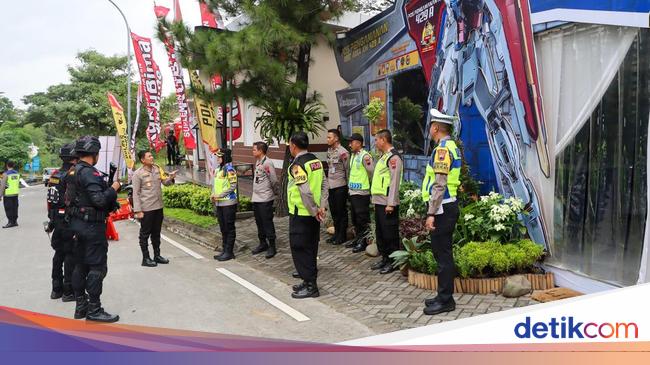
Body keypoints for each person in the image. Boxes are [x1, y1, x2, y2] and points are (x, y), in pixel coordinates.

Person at [66, 136, 120, 322]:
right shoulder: (89, 173)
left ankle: (81, 306)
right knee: (97, 267)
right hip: (91, 227)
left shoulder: (73, 171)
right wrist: (113, 188)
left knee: (80, 266)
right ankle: (94, 309)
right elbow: (99, 200)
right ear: (94, 154)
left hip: (77, 225)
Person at [422, 109, 462, 315]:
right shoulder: (451, 147)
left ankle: (446, 300)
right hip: (446, 206)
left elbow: (439, 185)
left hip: (442, 207)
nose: (430, 129)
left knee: (443, 256)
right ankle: (442, 295)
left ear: (436, 128)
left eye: (431, 126)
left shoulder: (442, 151)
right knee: (442, 255)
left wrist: (431, 213)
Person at [287, 132, 329, 299]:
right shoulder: (315, 161)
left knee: (300, 248)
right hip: (314, 213)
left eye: (290, 144)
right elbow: (325, 183)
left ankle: (311, 286)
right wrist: (322, 207)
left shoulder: (297, 166)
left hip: (302, 214)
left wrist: (314, 211)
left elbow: (304, 192)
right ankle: (307, 280)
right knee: (311, 248)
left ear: (294, 146)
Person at [45, 143, 78, 302]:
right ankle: (68, 290)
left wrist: (51, 219)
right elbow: (72, 200)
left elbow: (50, 201)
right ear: (74, 158)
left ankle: (55, 289)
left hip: (56, 219)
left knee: (58, 254)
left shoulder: (55, 175)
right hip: (68, 220)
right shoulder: (71, 175)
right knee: (70, 254)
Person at [132, 151, 176, 267]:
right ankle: (145, 258)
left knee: (156, 233)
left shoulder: (157, 169)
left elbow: (165, 183)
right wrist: (138, 210)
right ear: (143, 160)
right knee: (145, 234)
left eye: (152, 155)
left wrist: (170, 178)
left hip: (158, 206)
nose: (152, 158)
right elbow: (135, 194)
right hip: (146, 208)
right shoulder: (138, 174)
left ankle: (157, 255)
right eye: (149, 156)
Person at [370, 129, 402, 275]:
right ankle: (385, 258)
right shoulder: (384, 156)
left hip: (387, 203)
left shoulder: (394, 158)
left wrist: (391, 203)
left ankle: (393, 261)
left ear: (383, 140)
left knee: (390, 233)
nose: (375, 142)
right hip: (379, 201)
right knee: (381, 233)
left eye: (377, 140)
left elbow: (394, 182)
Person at [347, 133, 374, 253]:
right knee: (355, 218)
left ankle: (363, 242)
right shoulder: (353, 155)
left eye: (351, 142)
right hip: (353, 192)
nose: (350, 145)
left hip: (361, 193)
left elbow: (371, 172)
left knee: (362, 219)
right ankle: (358, 239)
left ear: (358, 143)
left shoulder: (365, 156)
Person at [250, 141, 278, 259]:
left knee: (267, 222)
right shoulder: (258, 162)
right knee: (259, 222)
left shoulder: (267, 163)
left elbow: (274, 180)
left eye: (254, 149)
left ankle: (272, 246)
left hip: (265, 198)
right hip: (256, 198)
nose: (253, 151)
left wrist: (275, 194)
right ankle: (263, 243)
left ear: (261, 151)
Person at [211, 149, 238, 262]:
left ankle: (229, 252)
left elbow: (233, 186)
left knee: (229, 227)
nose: (217, 158)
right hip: (219, 203)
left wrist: (220, 195)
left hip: (228, 202)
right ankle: (224, 249)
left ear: (224, 157)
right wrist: (212, 194)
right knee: (223, 227)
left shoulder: (230, 169)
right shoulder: (218, 170)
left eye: (219, 156)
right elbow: (215, 184)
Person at [325, 128, 350, 245]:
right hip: (331, 186)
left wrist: (349, 187)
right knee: (334, 212)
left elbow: (347, 170)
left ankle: (342, 235)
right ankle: (336, 234)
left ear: (336, 138)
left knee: (341, 212)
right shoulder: (329, 151)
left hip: (341, 185)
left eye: (329, 137)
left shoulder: (343, 152)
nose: (327, 139)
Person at [0, 161, 20, 228]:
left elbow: (2, 186)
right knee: (15, 208)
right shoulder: (17, 173)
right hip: (15, 194)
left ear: (7, 166)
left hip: (8, 194)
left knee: (8, 208)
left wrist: (0, 195)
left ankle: (10, 222)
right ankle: (15, 222)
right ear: (13, 165)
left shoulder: (5, 174)